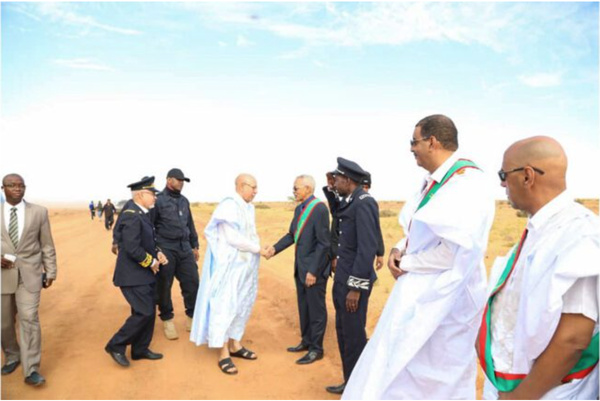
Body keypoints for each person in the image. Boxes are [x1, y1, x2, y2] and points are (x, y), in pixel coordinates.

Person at [343, 114, 496, 399]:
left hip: (445, 303)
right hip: (419, 293)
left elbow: (454, 253)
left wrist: (406, 262)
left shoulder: (467, 184)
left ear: (432, 141)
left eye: (414, 142)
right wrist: (398, 249)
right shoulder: (435, 182)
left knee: (435, 377)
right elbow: (420, 229)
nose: (411, 148)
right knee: (398, 368)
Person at [478, 136, 599, 400]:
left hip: (549, 393)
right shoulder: (543, 229)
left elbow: (573, 339)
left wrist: (519, 397)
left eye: (503, 174)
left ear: (527, 176)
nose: (501, 183)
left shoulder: (578, 234)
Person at [190, 174, 270, 375]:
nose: (256, 191)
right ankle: (223, 352)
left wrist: (259, 249)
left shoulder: (248, 207)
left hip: (245, 268)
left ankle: (236, 344)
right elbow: (233, 238)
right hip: (229, 269)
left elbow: (250, 233)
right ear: (241, 186)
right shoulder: (228, 206)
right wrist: (258, 249)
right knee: (225, 306)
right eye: (253, 186)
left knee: (242, 305)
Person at [325, 158, 382, 395]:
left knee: (355, 337)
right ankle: (350, 382)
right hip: (343, 280)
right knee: (344, 334)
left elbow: (366, 247)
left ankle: (359, 388)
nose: (335, 182)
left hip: (353, 285)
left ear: (348, 179)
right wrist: (330, 189)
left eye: (337, 179)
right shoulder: (351, 201)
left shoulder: (364, 203)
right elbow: (338, 212)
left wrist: (356, 288)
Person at [265, 175, 331, 364]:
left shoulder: (318, 209)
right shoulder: (299, 209)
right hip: (300, 268)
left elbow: (323, 244)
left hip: (313, 271)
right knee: (304, 307)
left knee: (316, 309)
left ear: (308, 188)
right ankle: (307, 341)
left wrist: (313, 271)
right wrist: (274, 249)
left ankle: (316, 349)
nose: (293, 191)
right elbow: (291, 235)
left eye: (296, 188)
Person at [105, 176, 168, 368]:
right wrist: (151, 262)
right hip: (132, 276)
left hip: (144, 275)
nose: (155, 198)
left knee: (148, 311)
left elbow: (148, 242)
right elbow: (132, 248)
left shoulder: (142, 213)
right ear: (141, 194)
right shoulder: (131, 215)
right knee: (144, 312)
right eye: (152, 194)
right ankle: (116, 344)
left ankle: (140, 350)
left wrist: (158, 253)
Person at [1, 174, 57, 386]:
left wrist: (50, 271)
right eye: (12, 185)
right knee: (4, 323)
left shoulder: (39, 212)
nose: (17, 189)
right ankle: (12, 355)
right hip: (2, 276)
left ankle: (31, 368)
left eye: (21, 185)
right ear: (2, 188)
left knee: (29, 319)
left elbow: (47, 244)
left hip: (30, 275)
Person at [150, 168, 200, 340]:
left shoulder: (185, 201)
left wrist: (195, 246)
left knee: (192, 282)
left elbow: (190, 225)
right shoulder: (158, 201)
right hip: (166, 247)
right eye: (178, 180)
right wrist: (156, 250)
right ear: (168, 180)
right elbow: (150, 226)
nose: (181, 183)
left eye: (183, 180)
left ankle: (192, 317)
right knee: (164, 285)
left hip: (184, 247)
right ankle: (167, 319)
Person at [361, 171, 385, 270]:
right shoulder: (350, 202)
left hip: (366, 252)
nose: (364, 190)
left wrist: (380, 253)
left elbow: (376, 228)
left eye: (367, 187)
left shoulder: (370, 203)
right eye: (363, 187)